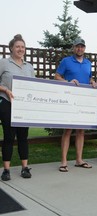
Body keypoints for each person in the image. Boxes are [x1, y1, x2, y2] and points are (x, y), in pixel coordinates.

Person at [55, 38, 97, 172]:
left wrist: (92, 81)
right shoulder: (66, 61)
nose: (80, 49)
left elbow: (89, 77)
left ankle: (79, 160)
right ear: (74, 48)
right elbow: (57, 76)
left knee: (81, 131)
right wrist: (68, 81)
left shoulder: (88, 63)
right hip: (69, 100)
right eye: (77, 47)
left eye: (82, 47)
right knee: (67, 130)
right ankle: (64, 162)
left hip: (83, 101)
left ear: (84, 48)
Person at [0, 34, 35, 181]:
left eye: (23, 47)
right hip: (7, 102)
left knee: (23, 137)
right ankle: (6, 170)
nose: (20, 49)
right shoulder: (3, 63)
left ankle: (24, 168)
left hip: (24, 106)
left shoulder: (29, 67)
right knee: (9, 136)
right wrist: (6, 90)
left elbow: (33, 87)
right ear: (11, 49)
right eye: (17, 47)